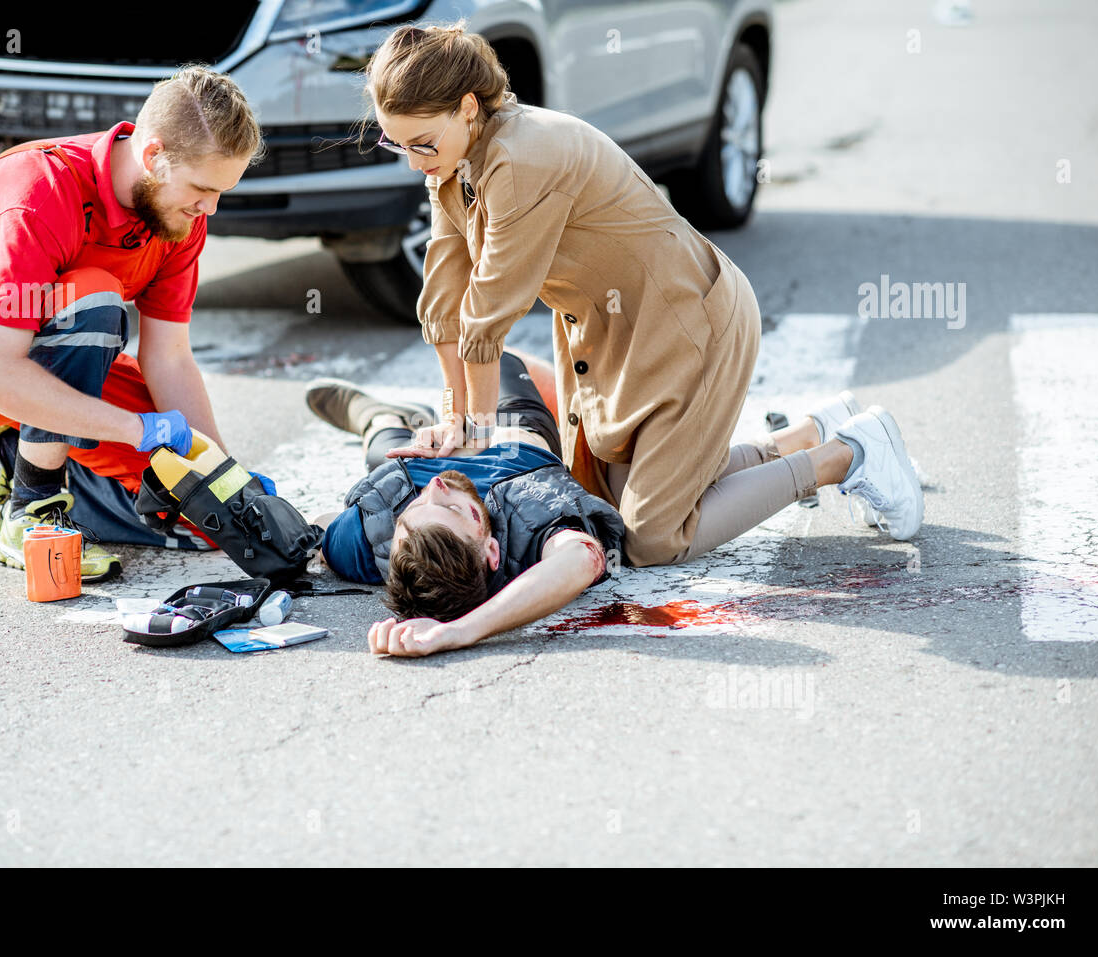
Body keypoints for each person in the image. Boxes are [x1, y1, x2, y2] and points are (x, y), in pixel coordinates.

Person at [362, 23, 924, 571]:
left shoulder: (520, 158)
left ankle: (846, 454)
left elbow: (487, 314)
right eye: (397, 143)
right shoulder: (452, 158)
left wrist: (476, 443)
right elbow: (444, 297)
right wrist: (453, 416)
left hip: (685, 321)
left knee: (653, 537)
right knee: (608, 502)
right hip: (610, 331)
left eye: (421, 143)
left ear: (466, 107)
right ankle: (808, 435)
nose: (413, 161)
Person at [0, 65, 264, 580]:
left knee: (210, 516)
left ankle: (3, 454)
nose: (211, 208)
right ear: (153, 156)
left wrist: (220, 473)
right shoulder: (38, 193)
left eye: (223, 192)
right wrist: (135, 429)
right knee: (91, 295)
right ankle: (33, 509)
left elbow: (169, 357)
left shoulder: (181, 217)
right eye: (202, 188)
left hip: (57, 352)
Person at [305, 351, 624, 658]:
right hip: (511, 442)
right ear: (492, 551)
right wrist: (461, 631)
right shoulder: (531, 522)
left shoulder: (361, 542)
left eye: (412, 510)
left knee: (382, 454)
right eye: (454, 509)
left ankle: (381, 418)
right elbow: (582, 557)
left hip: (418, 459)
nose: (435, 486)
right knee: (496, 356)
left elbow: (319, 528)